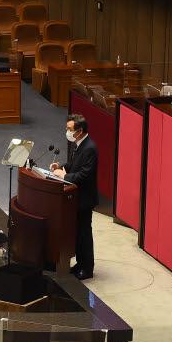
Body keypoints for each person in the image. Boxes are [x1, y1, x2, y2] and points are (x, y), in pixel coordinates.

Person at [50, 113, 98, 279]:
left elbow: (84, 175)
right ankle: (80, 264)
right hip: (75, 199)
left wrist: (64, 177)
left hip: (84, 199)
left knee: (84, 234)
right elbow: (72, 165)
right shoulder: (77, 144)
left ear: (80, 130)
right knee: (76, 233)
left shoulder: (90, 148)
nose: (67, 132)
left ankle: (87, 268)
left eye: (69, 129)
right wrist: (60, 166)